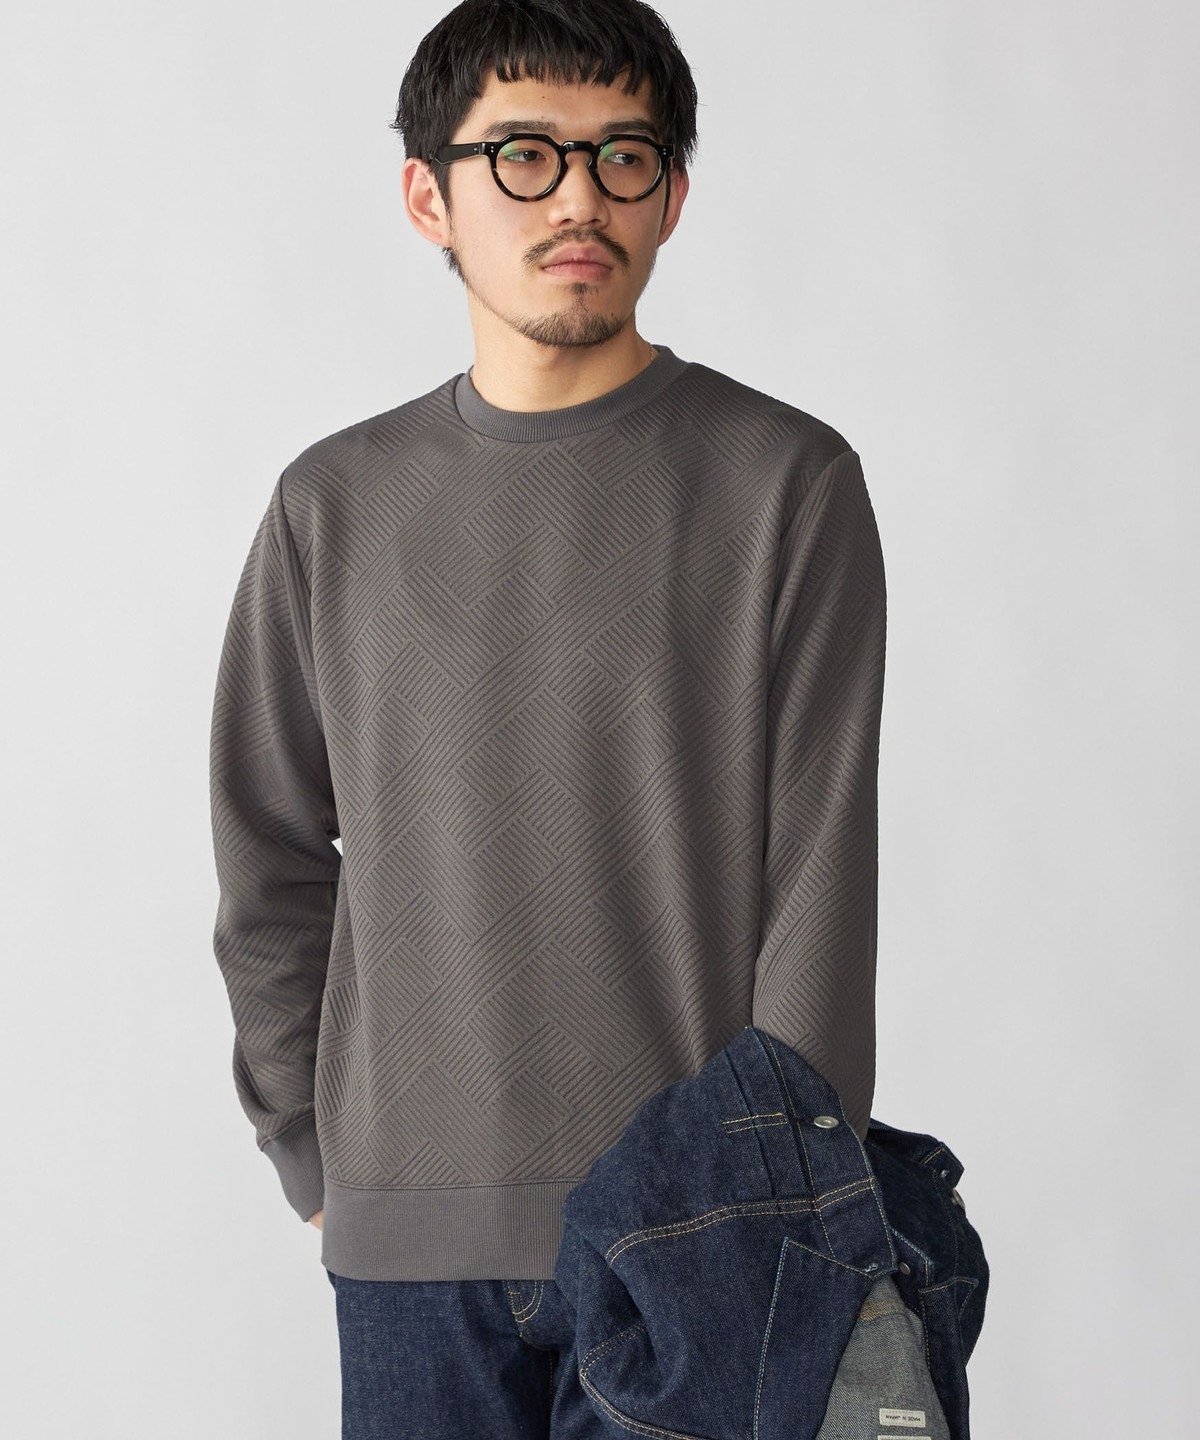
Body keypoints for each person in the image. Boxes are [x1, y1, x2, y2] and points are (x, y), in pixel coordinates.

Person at [208, 1, 888, 1434]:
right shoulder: (332, 506)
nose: (580, 197)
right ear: (428, 197)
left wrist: (773, 1210)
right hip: (407, 1252)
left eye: (624, 156)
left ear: (673, 197)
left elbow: (819, 888)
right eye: (525, 155)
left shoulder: (787, 485)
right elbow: (267, 847)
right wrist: (313, 1154)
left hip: (699, 1241)